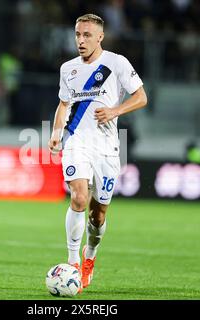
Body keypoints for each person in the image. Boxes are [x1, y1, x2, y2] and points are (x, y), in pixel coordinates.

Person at [48, 14, 147, 292]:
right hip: (76, 142)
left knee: (98, 214)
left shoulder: (116, 63)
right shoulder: (68, 68)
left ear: (100, 37)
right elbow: (63, 104)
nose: (81, 40)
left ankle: (89, 256)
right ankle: (72, 264)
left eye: (87, 35)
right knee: (79, 197)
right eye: (78, 34)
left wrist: (116, 110)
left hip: (107, 148)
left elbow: (141, 97)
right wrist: (56, 133)